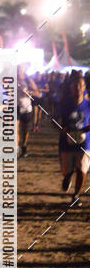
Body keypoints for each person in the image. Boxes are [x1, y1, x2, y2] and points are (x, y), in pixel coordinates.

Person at [58, 72, 90, 203]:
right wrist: (62, 128)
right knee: (68, 170)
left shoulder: (88, 105)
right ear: (71, 88)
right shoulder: (65, 104)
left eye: (80, 86)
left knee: (82, 169)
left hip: (85, 141)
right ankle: (67, 176)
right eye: (75, 86)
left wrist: (85, 130)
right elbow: (55, 121)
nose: (77, 88)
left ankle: (76, 195)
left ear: (84, 88)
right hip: (67, 141)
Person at [17, 67, 40, 157]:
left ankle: (24, 146)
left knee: (25, 130)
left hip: (27, 108)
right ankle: (16, 148)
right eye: (17, 70)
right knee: (15, 128)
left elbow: (37, 93)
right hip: (16, 107)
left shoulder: (28, 80)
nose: (18, 72)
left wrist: (28, 92)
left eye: (20, 70)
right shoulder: (12, 79)